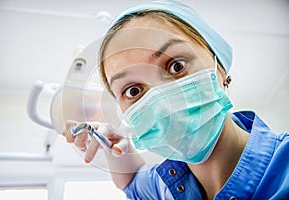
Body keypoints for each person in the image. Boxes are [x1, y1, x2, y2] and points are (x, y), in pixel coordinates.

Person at [62, 0, 289, 199]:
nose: (161, 101)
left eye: (176, 66)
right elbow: (130, 182)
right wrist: (111, 142)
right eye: (133, 91)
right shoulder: (164, 187)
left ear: (218, 65)